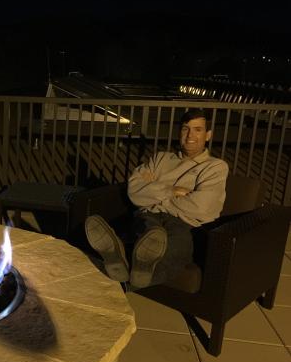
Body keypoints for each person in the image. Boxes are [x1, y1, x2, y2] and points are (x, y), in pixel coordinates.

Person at [85, 108, 229, 288]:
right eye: (185, 129)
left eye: (197, 129)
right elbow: (134, 191)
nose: (190, 135)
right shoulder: (160, 158)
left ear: (208, 135)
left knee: (177, 245)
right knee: (150, 231)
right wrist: (174, 191)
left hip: (184, 224)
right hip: (149, 216)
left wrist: (155, 193)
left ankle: (119, 259)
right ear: (179, 132)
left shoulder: (215, 167)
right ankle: (135, 264)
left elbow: (203, 208)